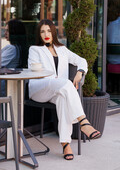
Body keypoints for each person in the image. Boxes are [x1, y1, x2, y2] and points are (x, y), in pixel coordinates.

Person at [28, 19, 101, 161]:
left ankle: (65, 144)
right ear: (39, 34)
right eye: (42, 31)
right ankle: (84, 122)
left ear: (53, 32)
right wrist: (57, 80)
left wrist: (80, 72)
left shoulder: (62, 49)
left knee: (63, 98)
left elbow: (82, 61)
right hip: (40, 88)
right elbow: (34, 69)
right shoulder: (35, 49)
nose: (46, 34)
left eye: (49, 31)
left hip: (58, 90)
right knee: (66, 84)